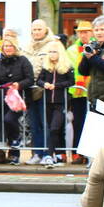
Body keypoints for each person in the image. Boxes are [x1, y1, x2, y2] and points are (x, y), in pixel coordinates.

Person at [0, 31, 33, 164]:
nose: (7, 48)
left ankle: (15, 145)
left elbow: (30, 78)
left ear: (15, 47)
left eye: (10, 46)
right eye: (5, 46)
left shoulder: (23, 60)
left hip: (17, 98)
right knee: (2, 123)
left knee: (9, 120)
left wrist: (19, 84)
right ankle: (12, 153)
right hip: (2, 98)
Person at [22, 19, 57, 165]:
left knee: (46, 124)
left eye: (39, 29)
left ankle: (48, 153)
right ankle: (36, 152)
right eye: (34, 30)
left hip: (46, 91)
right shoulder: (26, 46)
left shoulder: (52, 45)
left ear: (45, 30)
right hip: (30, 90)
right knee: (34, 123)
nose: (36, 32)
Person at [36, 40, 73, 168]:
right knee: (52, 129)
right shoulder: (46, 67)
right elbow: (38, 80)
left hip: (61, 102)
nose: (52, 54)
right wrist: (44, 84)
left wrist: (56, 86)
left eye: (54, 52)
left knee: (55, 128)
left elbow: (71, 82)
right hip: (48, 102)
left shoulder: (66, 67)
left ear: (60, 53)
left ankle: (49, 155)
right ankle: (57, 154)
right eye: (50, 52)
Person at [65, 20, 93, 163]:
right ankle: (79, 152)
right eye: (81, 32)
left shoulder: (96, 47)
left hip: (93, 91)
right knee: (78, 122)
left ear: (91, 32)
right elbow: (72, 70)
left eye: (86, 32)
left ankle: (91, 152)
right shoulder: (71, 50)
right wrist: (77, 84)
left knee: (93, 123)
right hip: (78, 92)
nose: (83, 35)